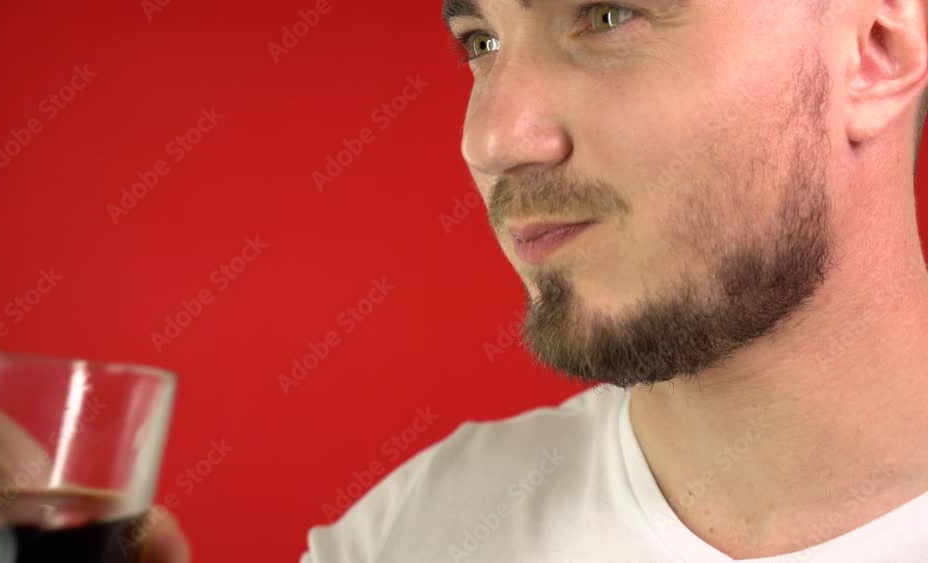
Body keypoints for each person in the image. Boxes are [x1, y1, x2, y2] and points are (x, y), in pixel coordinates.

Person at [296, 0, 928, 560]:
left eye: (606, 16)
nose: (488, 141)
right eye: (481, 42)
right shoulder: (406, 533)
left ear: (878, 53)